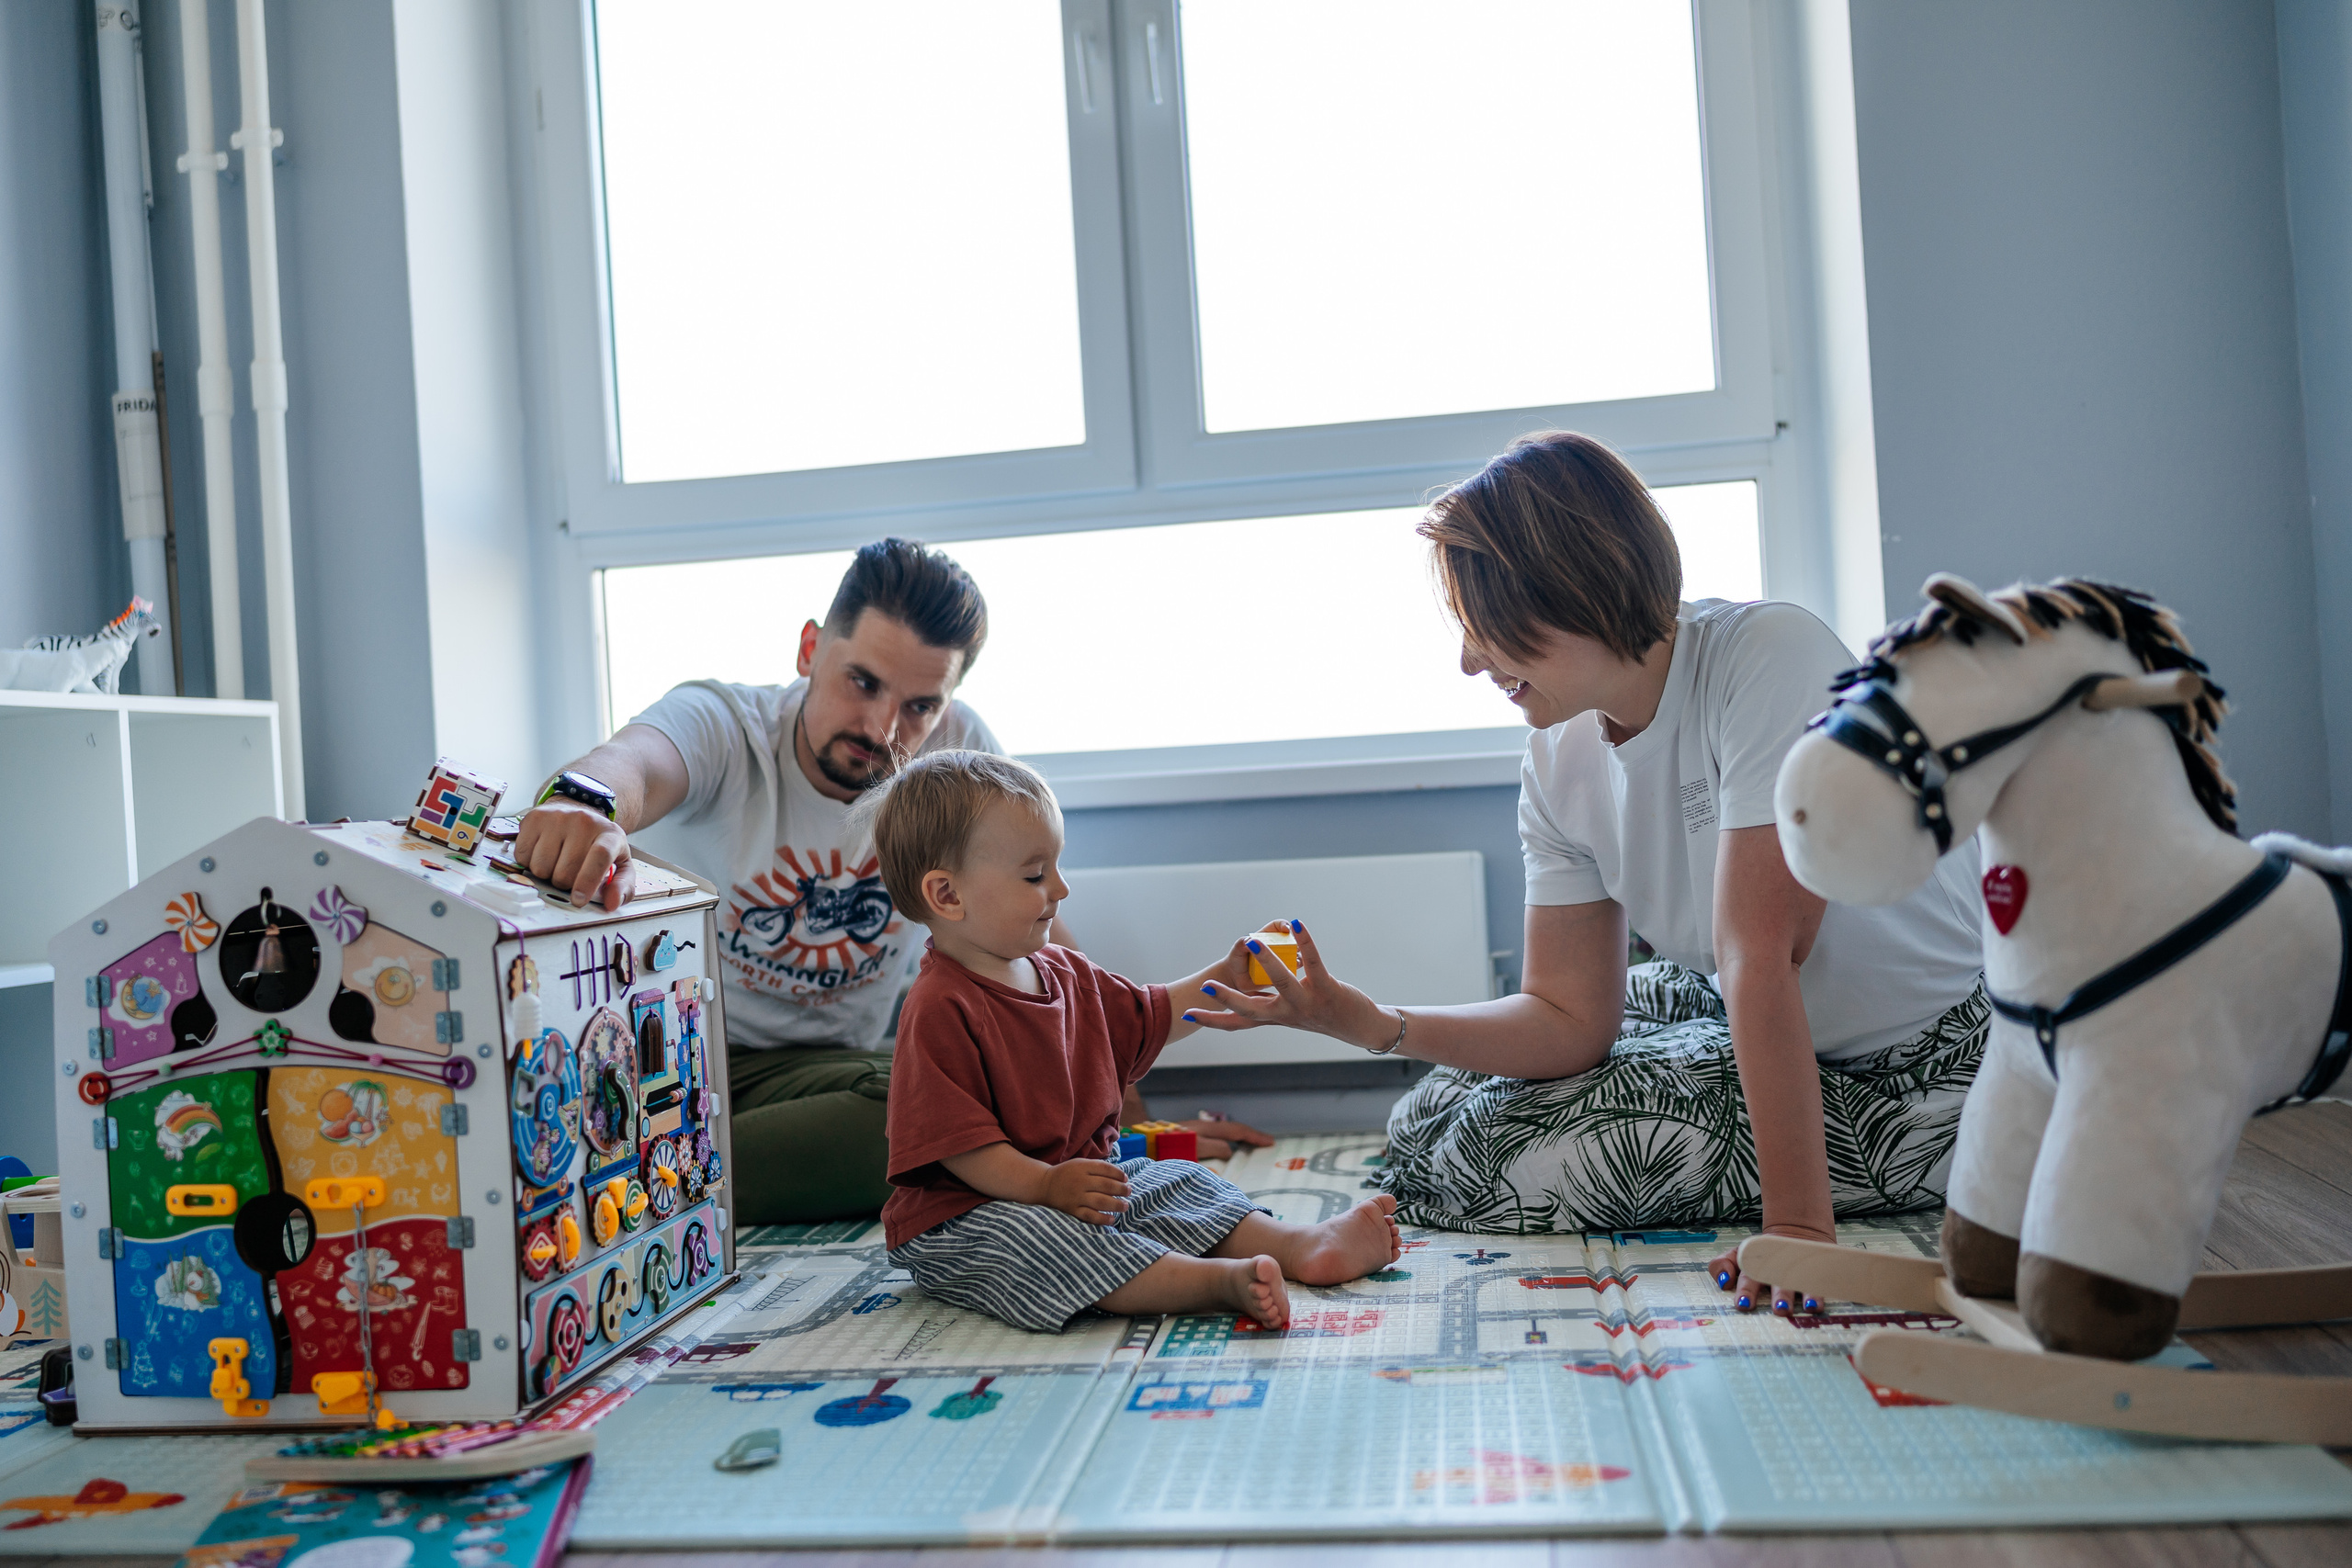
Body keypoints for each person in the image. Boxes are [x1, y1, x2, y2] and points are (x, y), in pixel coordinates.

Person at [1184, 433, 1987, 1316]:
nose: (1467, 661)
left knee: (1491, 1154)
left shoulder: (1768, 655)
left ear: (1574, 590)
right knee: (1433, 1111)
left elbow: (1762, 957)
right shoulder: (1558, 752)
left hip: (1923, 1057)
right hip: (1739, 1002)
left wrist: (1797, 1232)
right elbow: (1567, 1016)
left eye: (1482, 627)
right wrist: (1369, 1021)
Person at [514, 538, 1267, 1224]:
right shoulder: (727, 723)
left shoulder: (956, 750)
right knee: (939, 1127)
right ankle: (622, 1170)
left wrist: (1113, 1118)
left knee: (945, 1104)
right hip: (688, 1057)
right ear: (811, 648)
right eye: (861, 682)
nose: (883, 727)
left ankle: (663, 1170)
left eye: (919, 705)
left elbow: (1027, 933)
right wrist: (589, 803)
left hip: (836, 1070)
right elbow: (635, 760)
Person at [870, 750, 1400, 1332]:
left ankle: (1301, 1244)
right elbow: (961, 1148)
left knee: (1170, 1180)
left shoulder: (1066, 971)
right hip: (969, 1215)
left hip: (1075, 1181)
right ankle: (1219, 1283)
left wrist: (1225, 978)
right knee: (1043, 1238)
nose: (1061, 888)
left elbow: (1153, 1015)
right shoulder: (939, 1007)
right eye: (1035, 874)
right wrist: (1045, 1186)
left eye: (1058, 866)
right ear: (947, 896)